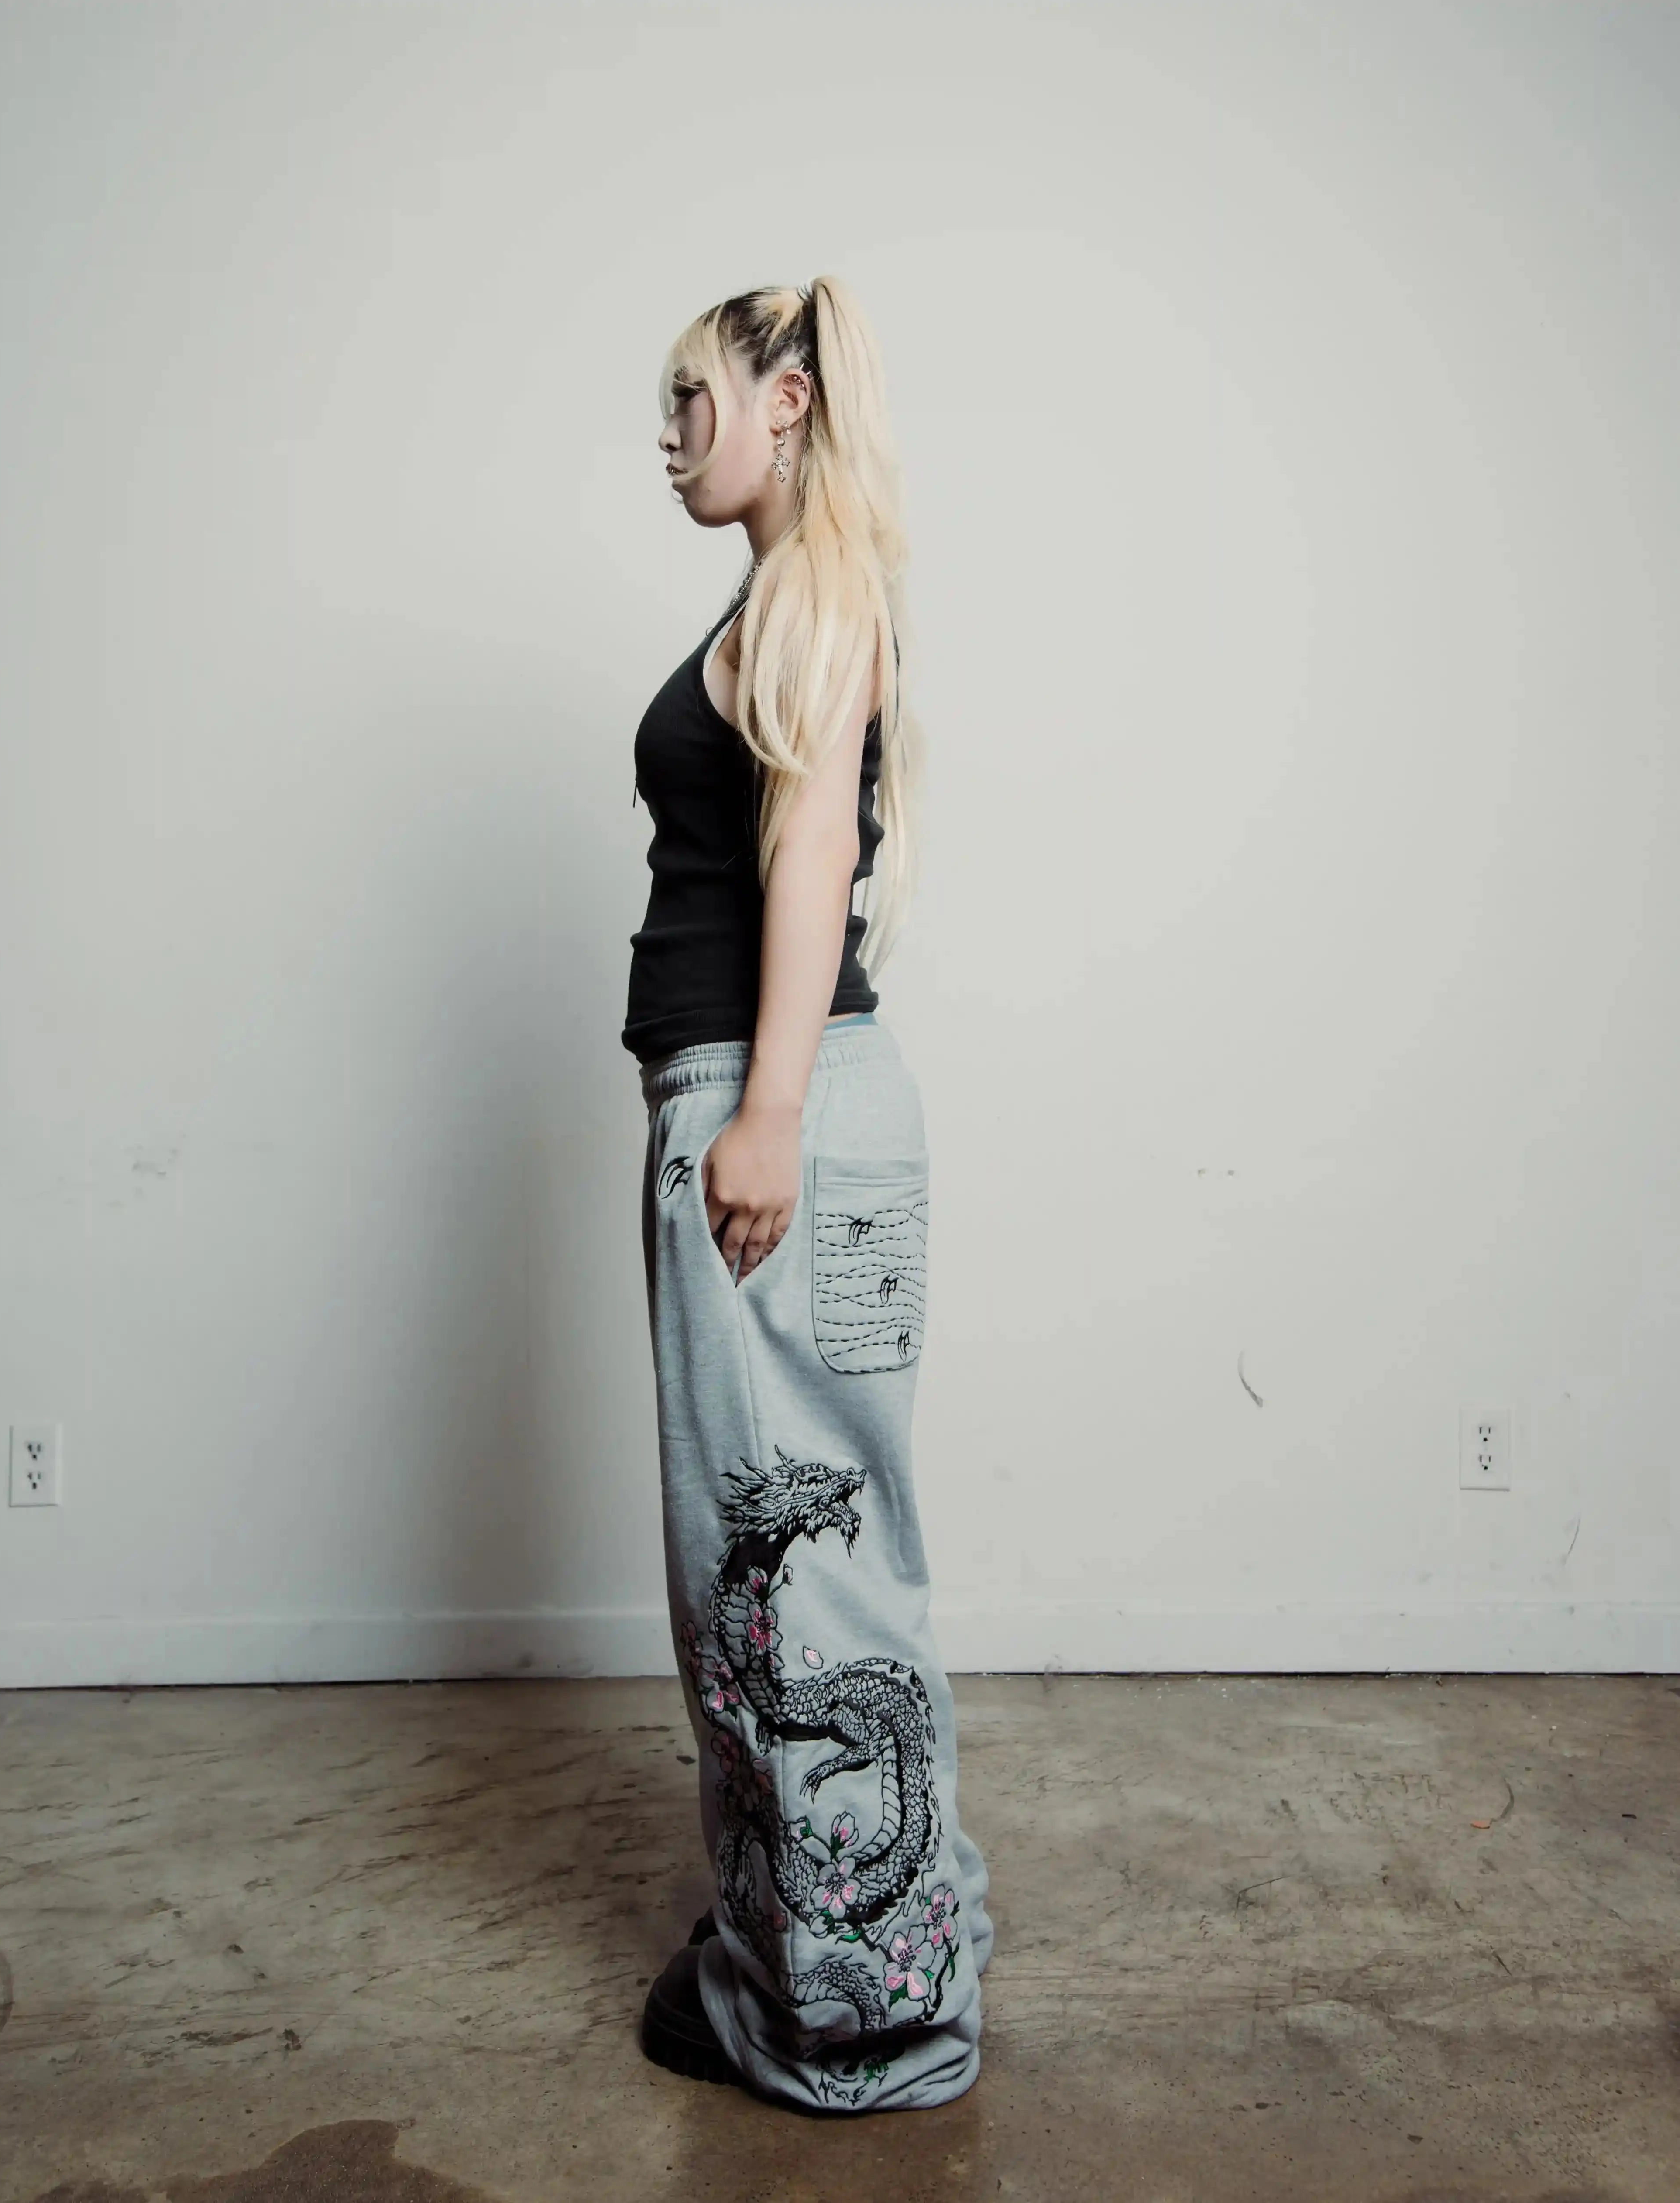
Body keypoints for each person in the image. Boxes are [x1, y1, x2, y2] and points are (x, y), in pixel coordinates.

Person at [623, 277, 993, 2114]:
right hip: (808, 1105)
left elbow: (811, 845)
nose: (668, 434)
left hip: (780, 1110)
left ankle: (847, 2027)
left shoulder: (808, 592)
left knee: (776, 1581)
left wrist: (761, 1112)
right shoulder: (793, 592)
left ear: (785, 402)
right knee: (825, 1564)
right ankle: (861, 1955)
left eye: (692, 398)